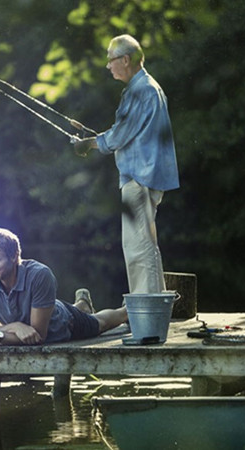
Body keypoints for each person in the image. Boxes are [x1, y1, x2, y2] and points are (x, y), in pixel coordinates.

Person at [71, 34, 179, 295]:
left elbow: (119, 136)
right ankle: (151, 311)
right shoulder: (147, 88)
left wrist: (87, 144)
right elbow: (126, 131)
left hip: (139, 179)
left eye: (111, 60)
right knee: (143, 245)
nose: (108, 66)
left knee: (139, 247)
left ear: (126, 59)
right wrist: (95, 139)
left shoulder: (141, 91)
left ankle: (147, 316)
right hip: (144, 177)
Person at [0, 228, 128, 355]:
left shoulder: (40, 274)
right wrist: (16, 327)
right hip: (31, 319)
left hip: (63, 323)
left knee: (99, 323)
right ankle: (82, 305)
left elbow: (37, 336)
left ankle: (126, 311)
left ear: (14, 257)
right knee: (82, 313)